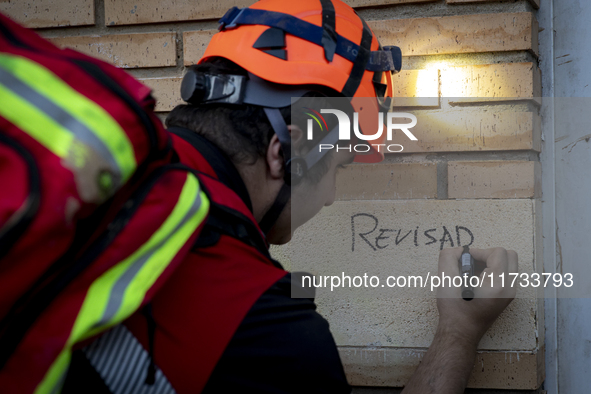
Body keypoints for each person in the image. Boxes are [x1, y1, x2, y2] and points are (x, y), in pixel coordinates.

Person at [62, 0, 518, 393]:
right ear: (288, 151)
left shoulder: (93, 182)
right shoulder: (266, 330)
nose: (332, 198)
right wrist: (460, 331)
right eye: (338, 167)